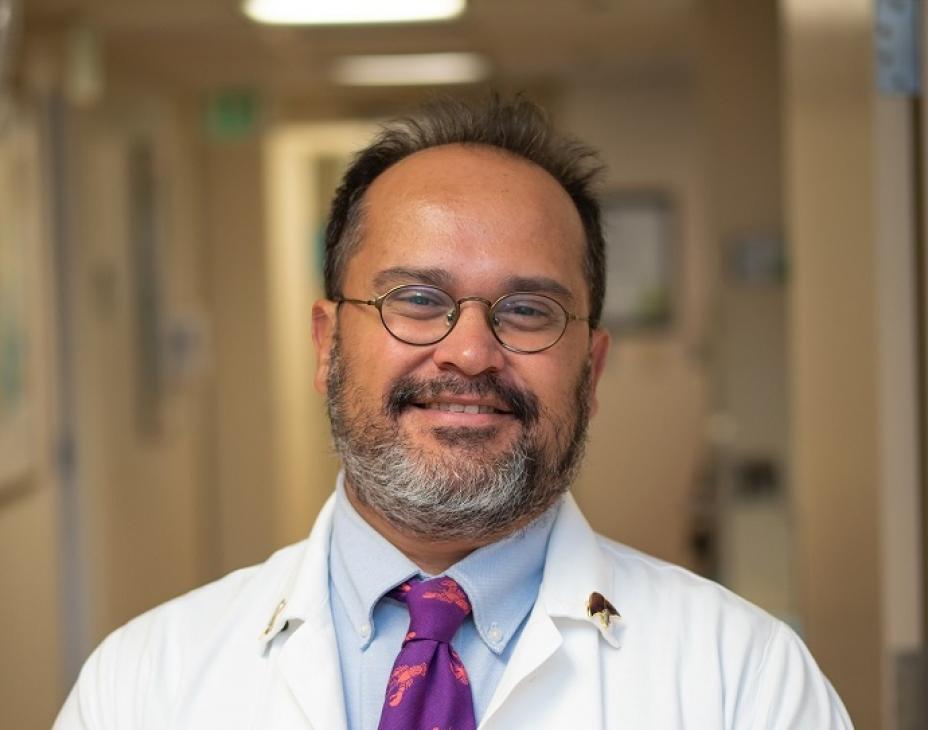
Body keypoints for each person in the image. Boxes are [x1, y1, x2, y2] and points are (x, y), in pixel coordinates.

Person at [54, 97, 852, 729]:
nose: (470, 352)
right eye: (418, 299)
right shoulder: (144, 685)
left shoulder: (745, 683)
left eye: (529, 309)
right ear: (327, 345)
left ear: (593, 368)